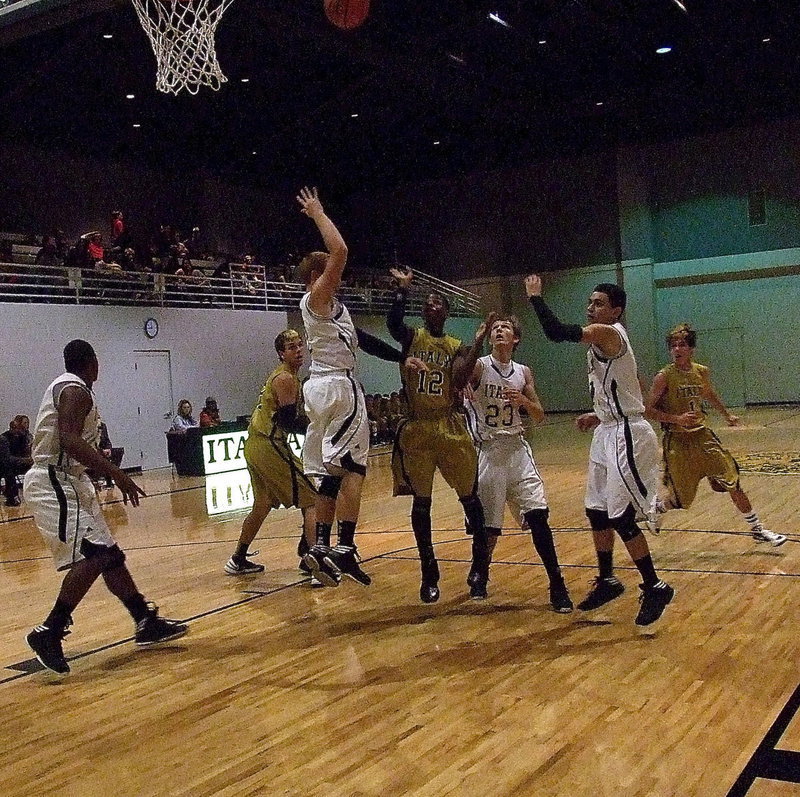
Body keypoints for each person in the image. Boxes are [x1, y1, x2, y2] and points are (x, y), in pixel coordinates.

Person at [23, 340, 187, 675]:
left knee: (110, 556)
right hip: (55, 480)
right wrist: (117, 474)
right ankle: (49, 631)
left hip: (71, 479)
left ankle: (143, 619)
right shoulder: (76, 391)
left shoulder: (67, 387)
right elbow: (70, 439)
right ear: (92, 362)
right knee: (94, 557)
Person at [296, 187, 427, 589]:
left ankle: (320, 547)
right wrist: (318, 213)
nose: (340, 278)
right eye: (332, 274)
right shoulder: (316, 297)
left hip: (325, 388)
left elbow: (363, 342)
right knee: (356, 467)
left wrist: (399, 358)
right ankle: (346, 547)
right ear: (318, 276)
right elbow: (341, 251)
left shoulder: (335, 311)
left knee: (333, 473)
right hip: (337, 387)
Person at [525, 275, 674, 627]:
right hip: (609, 429)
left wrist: (534, 298)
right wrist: (600, 413)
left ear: (615, 311)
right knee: (596, 512)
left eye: (598, 304)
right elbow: (620, 386)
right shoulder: (602, 340)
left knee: (621, 518)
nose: (590, 309)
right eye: (589, 303)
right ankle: (607, 579)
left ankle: (655, 585)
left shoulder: (610, 333)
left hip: (628, 434)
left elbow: (556, 331)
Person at [387, 266, 493, 603]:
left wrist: (478, 343)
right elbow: (392, 325)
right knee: (422, 503)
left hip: (449, 425)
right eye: (428, 303)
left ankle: (480, 567)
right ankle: (429, 572)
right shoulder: (412, 337)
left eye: (438, 304)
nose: (433, 307)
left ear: (446, 312)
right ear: (423, 310)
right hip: (418, 427)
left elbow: (460, 379)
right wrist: (402, 290)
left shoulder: (456, 345)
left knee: (469, 498)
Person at [464, 316, 573, 611]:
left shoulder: (523, 372)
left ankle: (557, 583)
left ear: (516, 339)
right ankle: (480, 573)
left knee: (539, 517)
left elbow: (539, 415)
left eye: (506, 328)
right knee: (489, 530)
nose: (499, 330)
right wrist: (476, 340)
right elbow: (459, 377)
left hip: (517, 449)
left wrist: (523, 403)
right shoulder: (479, 366)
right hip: (489, 450)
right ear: (490, 337)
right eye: (495, 328)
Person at [645, 323, 786, 546]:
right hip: (678, 442)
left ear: (691, 349)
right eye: (673, 346)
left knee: (732, 480)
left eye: (682, 345)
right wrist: (677, 419)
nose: (676, 349)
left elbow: (709, 394)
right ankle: (658, 508)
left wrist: (727, 415)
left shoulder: (701, 371)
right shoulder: (663, 376)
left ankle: (757, 528)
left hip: (703, 437)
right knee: (683, 500)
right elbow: (648, 410)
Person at [223, 329, 320, 576]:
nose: (298, 350)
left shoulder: (285, 376)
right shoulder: (285, 379)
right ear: (281, 353)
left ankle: (238, 558)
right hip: (269, 442)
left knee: (262, 504)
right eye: (291, 348)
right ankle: (315, 562)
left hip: (255, 443)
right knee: (312, 498)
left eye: (300, 345)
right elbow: (289, 423)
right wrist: (318, 428)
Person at [0, 415, 33, 506]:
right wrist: (24, 460)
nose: (26, 426)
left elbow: (29, 453)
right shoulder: (4, 438)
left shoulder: (27, 437)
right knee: (7, 468)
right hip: (8, 464)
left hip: (20, 463)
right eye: (24, 423)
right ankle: (13, 497)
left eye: (27, 423)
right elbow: (7, 458)